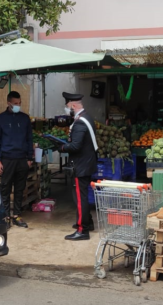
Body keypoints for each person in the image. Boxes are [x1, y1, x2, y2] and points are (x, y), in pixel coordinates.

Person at [58, 92, 98, 241]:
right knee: (82, 196)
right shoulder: (87, 117)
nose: (66, 109)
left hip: (81, 165)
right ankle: (88, 222)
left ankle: (82, 230)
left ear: (73, 105)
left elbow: (75, 146)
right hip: (86, 163)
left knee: (80, 198)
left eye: (67, 106)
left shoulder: (80, 122)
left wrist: (62, 147)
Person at [0, 91, 32, 228]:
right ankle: (6, 216)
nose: (18, 105)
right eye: (15, 103)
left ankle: (17, 215)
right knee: (5, 188)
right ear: (8, 103)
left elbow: (29, 139)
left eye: (19, 103)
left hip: (22, 159)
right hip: (7, 159)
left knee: (20, 188)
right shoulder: (0, 119)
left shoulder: (25, 118)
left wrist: (29, 157)